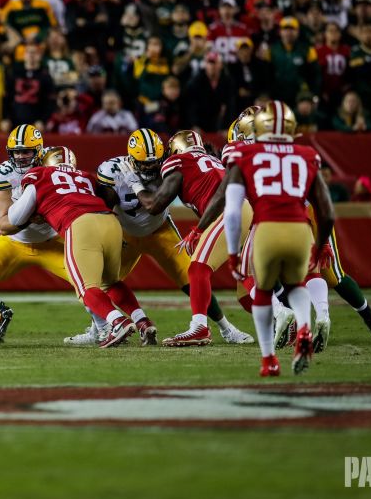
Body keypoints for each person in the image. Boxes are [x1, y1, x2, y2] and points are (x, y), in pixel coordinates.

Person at [90, 129, 253, 346]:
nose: (149, 167)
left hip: (160, 231)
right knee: (103, 280)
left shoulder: (170, 165)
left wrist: (135, 183)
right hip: (127, 233)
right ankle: (99, 329)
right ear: (131, 158)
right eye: (143, 163)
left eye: (153, 162)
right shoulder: (113, 169)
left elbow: (155, 205)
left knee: (191, 277)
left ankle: (226, 328)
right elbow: (106, 204)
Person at [221, 101, 335, 376]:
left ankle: (269, 359)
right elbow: (325, 209)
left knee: (261, 290)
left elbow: (233, 211)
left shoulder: (243, 154)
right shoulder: (306, 154)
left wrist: (233, 251)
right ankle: (305, 327)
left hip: (266, 227)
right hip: (300, 227)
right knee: (296, 285)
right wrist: (323, 243)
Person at [2, 146, 135, 349]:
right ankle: (143, 321)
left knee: (85, 288)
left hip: (79, 223)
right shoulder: (86, 176)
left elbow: (15, 218)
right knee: (110, 282)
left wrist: (35, 210)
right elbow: (108, 199)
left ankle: (117, 321)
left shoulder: (39, 173)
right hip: (112, 224)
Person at [0, 126, 66, 346]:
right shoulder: (3, 174)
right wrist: (30, 218)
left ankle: (102, 327)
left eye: (26, 151)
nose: (20, 156)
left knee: (87, 280)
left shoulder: (54, 164)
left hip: (51, 240)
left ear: (38, 151)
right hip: (14, 241)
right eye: (16, 151)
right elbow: (2, 225)